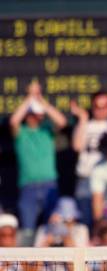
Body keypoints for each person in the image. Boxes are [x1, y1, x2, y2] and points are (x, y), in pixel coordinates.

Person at [9, 81, 67, 240]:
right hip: (28, 186)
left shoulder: (47, 130)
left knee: (52, 229)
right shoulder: (21, 133)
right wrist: (30, 98)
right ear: (28, 115)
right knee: (28, 231)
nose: (39, 117)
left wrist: (40, 100)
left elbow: (62, 121)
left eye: (40, 114)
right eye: (35, 114)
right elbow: (14, 121)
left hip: (50, 186)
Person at [71, 92, 107, 229]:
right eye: (97, 106)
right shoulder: (86, 124)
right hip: (87, 180)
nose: (102, 110)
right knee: (86, 225)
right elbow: (77, 146)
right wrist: (83, 118)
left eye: (106, 106)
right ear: (92, 107)